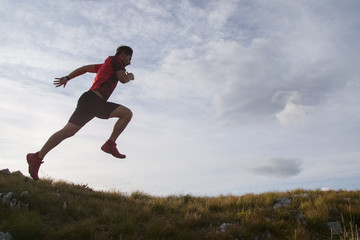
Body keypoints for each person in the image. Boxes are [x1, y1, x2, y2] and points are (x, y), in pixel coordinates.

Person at [26, 46, 135, 180]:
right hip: (91, 101)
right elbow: (123, 79)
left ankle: (110, 144)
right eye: (129, 58)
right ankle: (36, 158)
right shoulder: (115, 60)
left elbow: (84, 69)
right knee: (68, 131)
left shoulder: (106, 64)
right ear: (123, 54)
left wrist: (67, 77)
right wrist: (129, 76)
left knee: (126, 114)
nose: (129, 62)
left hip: (98, 104)